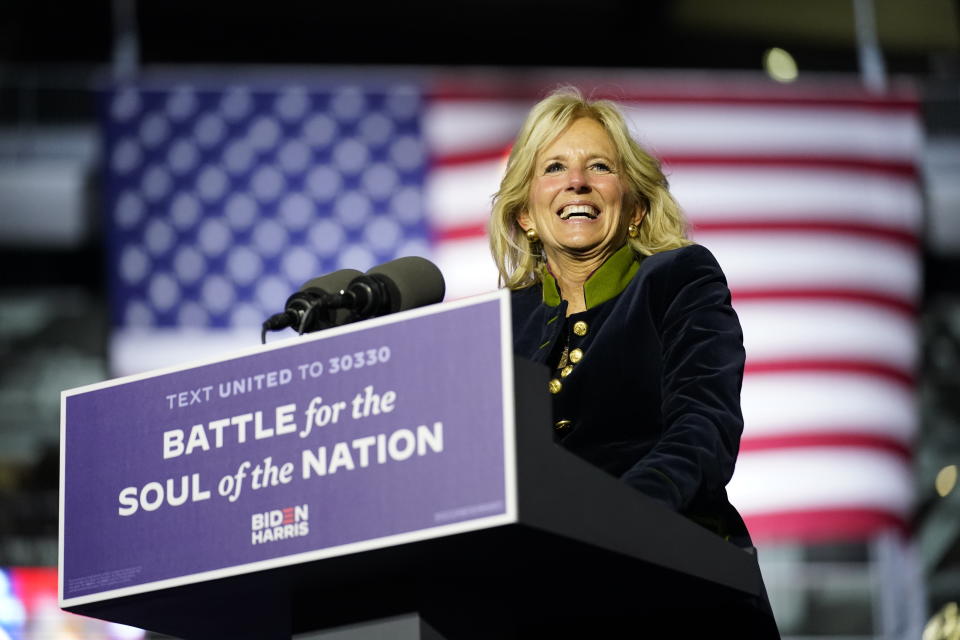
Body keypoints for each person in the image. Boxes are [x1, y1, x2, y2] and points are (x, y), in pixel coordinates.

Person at [489, 89, 780, 635]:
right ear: (526, 214)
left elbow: (702, 431)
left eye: (599, 166)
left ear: (636, 208)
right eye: (554, 167)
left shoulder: (677, 279)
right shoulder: (500, 325)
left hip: (676, 585)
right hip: (536, 600)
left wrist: (614, 518)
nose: (577, 181)